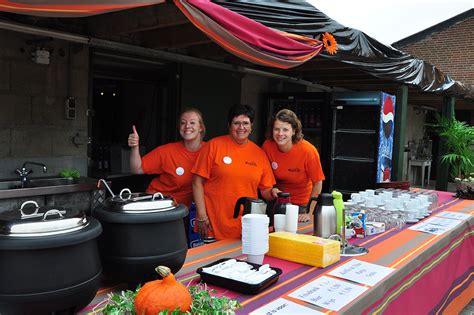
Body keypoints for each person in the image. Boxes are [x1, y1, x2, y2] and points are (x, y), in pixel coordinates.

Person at [192, 104, 277, 240]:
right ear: (229, 125)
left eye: (245, 123)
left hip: (245, 228)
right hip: (213, 225)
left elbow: (265, 190)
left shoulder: (259, 154)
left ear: (251, 126)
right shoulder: (213, 146)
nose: (241, 127)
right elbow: (197, 182)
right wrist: (201, 215)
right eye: (236, 123)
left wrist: (273, 193)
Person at [128, 108, 206, 207]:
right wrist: (135, 147)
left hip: (188, 209)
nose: (187, 126)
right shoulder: (167, 151)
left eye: (192, 123)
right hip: (160, 204)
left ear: (201, 128)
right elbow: (137, 169)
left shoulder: (210, 150)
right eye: (183, 123)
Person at [262, 108, 325, 222]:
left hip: (301, 206)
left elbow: (318, 183)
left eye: (285, 130)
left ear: (294, 131)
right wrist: (272, 189)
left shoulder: (308, 151)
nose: (280, 134)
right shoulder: (267, 146)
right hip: (278, 203)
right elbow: (265, 176)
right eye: (276, 129)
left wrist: (310, 213)